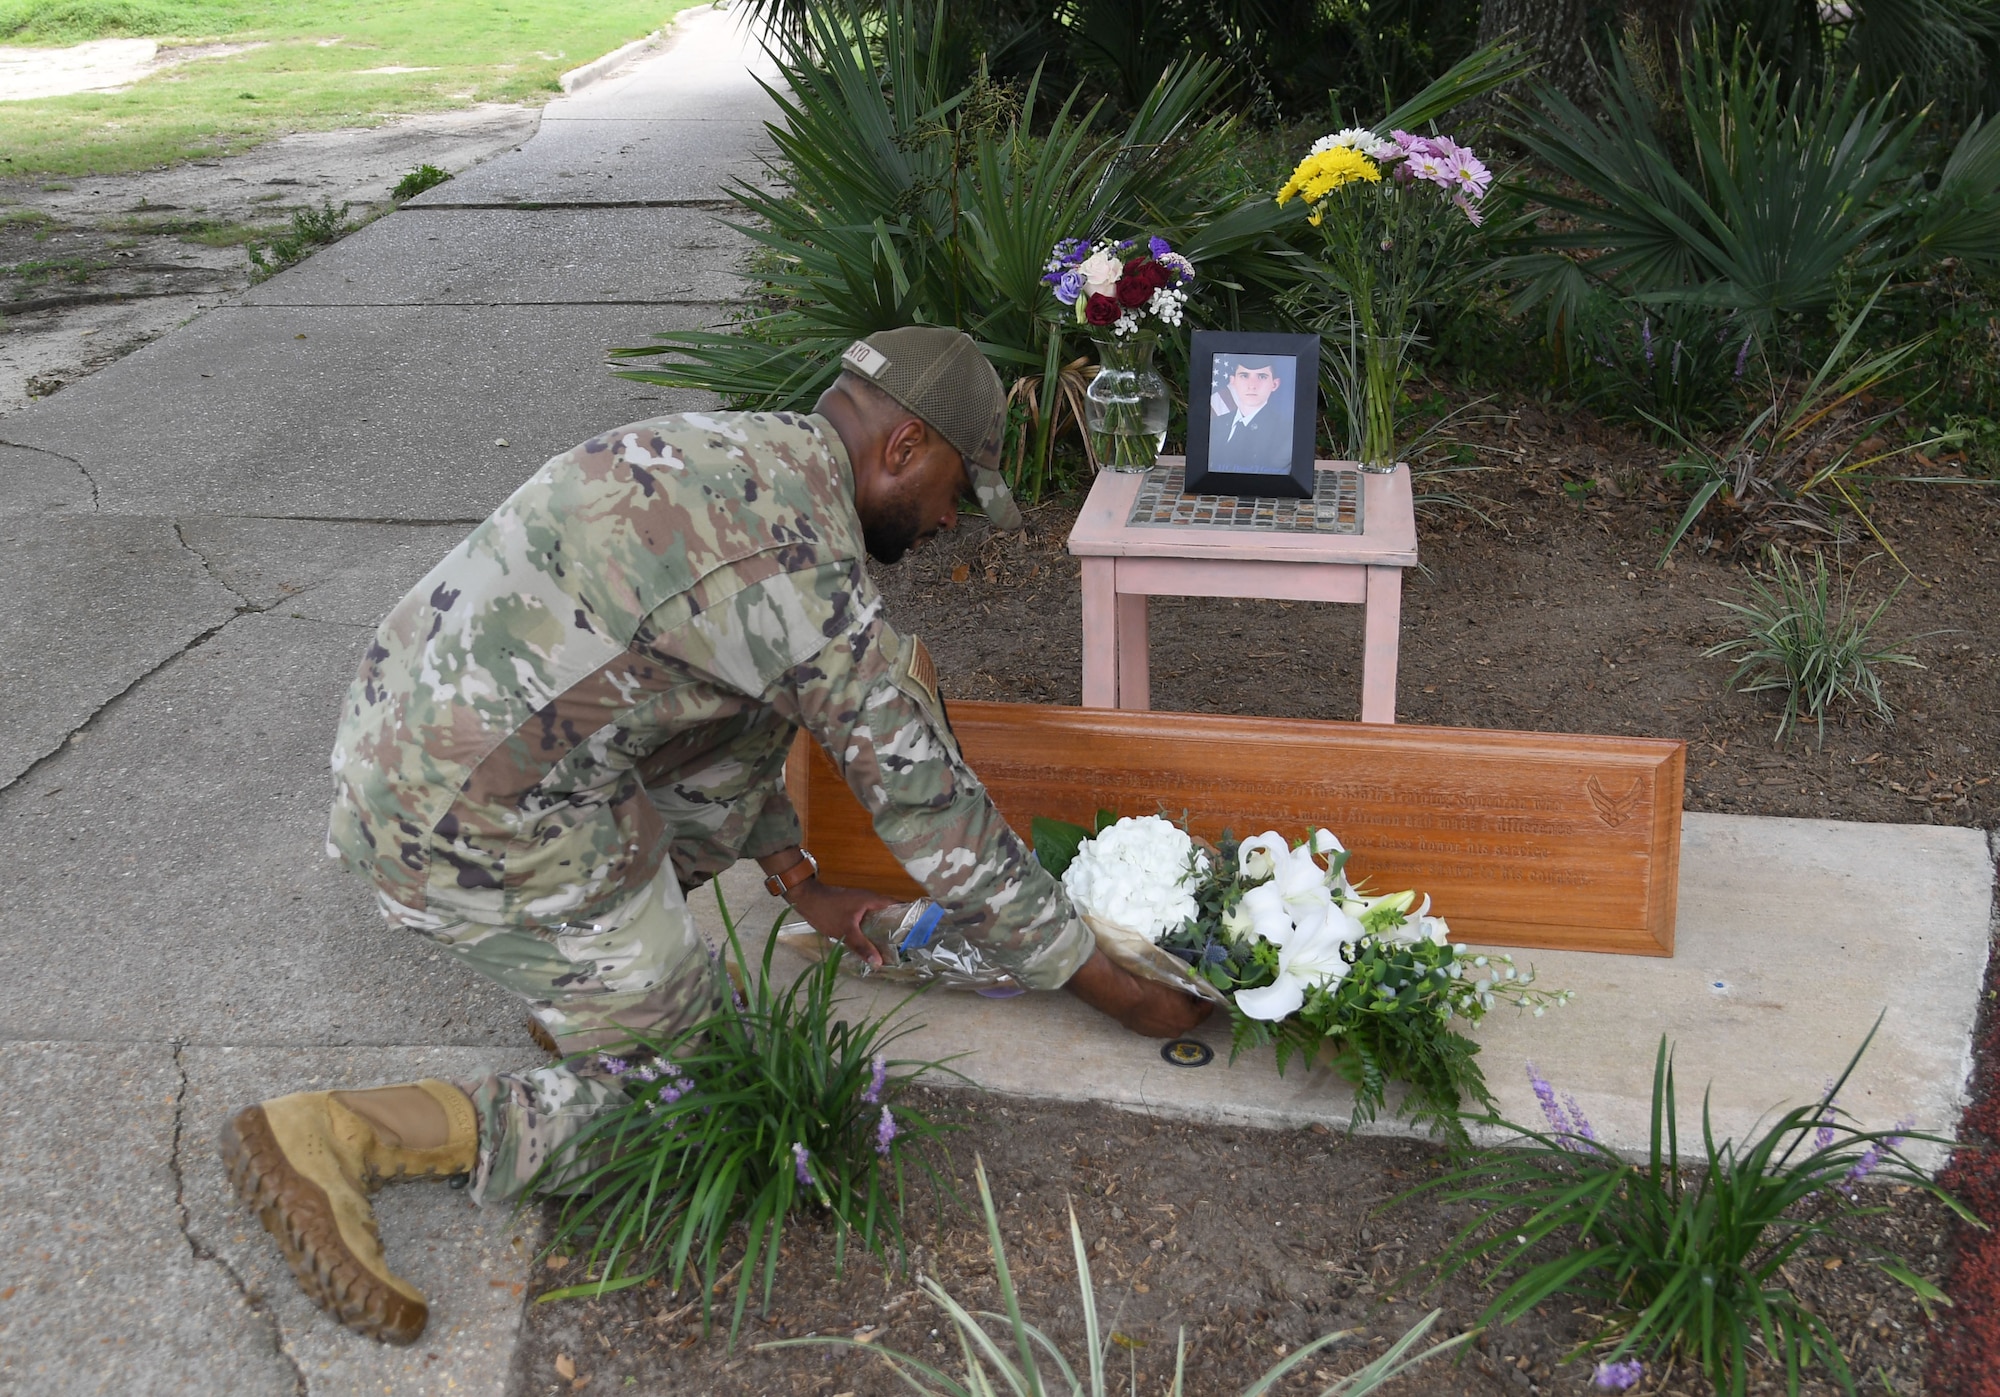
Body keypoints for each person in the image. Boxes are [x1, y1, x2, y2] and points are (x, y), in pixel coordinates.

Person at [218, 326, 1211, 1346]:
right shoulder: (798, 570)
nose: (951, 516)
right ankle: (346, 1132)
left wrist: (796, 874)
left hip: (413, 746)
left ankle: (597, 987)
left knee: (737, 728)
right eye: (957, 485)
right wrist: (1113, 985)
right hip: (470, 820)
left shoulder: (740, 456)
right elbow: (934, 812)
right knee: (707, 1104)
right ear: (905, 445)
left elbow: (735, 703)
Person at [1207, 353, 1296, 474]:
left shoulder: (1287, 431)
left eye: (1262, 376)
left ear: (1274, 384)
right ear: (1233, 381)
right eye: (1244, 376)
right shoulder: (1215, 424)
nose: (1252, 385)